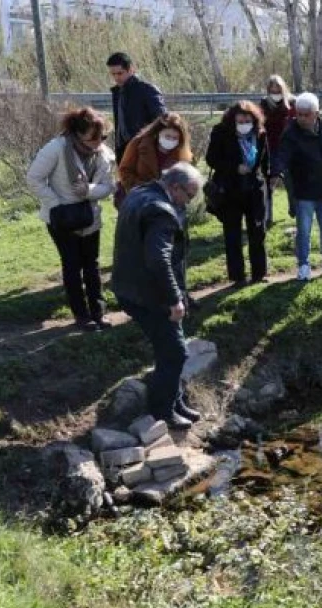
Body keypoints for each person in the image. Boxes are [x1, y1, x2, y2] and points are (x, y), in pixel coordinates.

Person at [110, 163, 205, 430]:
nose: (189, 202)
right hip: (149, 295)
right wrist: (175, 299)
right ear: (174, 187)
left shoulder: (140, 193)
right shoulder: (160, 211)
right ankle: (163, 412)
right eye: (189, 195)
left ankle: (174, 401)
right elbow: (158, 259)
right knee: (175, 352)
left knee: (170, 348)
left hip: (130, 287)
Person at [26, 107, 116, 332]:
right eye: (92, 138)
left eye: (102, 136)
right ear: (77, 134)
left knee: (92, 266)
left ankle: (99, 312)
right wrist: (56, 205)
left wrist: (88, 190)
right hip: (61, 219)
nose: (98, 142)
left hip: (89, 218)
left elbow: (109, 186)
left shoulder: (104, 153)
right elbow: (34, 178)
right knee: (72, 266)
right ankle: (82, 316)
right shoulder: (56, 148)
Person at [270, 92, 322, 282]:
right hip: (304, 191)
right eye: (299, 114)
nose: (302, 118)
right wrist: (275, 173)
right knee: (304, 231)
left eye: (306, 114)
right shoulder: (291, 132)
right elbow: (283, 155)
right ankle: (303, 266)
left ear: (316, 113)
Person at [206, 101, 271, 285]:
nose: (244, 124)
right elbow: (211, 158)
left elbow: (265, 158)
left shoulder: (260, 133)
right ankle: (237, 276)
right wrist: (235, 168)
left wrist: (270, 177)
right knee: (232, 234)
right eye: (240, 120)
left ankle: (259, 273)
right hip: (230, 189)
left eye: (247, 120)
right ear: (233, 119)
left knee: (257, 231)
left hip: (254, 189)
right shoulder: (221, 132)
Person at [117, 112, 194, 206]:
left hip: (167, 203)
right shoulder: (138, 143)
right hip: (138, 200)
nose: (170, 140)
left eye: (175, 138)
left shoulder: (182, 154)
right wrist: (145, 189)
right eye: (167, 136)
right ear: (158, 133)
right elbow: (125, 171)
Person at [108, 52, 167, 164]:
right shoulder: (118, 92)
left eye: (120, 73)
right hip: (124, 151)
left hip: (143, 150)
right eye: (113, 74)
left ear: (130, 69)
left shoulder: (146, 89)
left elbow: (161, 119)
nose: (116, 78)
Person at [259, 75, 297, 224]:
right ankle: (267, 216)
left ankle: (294, 209)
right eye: (272, 89)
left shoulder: (292, 103)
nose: (275, 92)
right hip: (270, 147)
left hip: (288, 148)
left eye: (277, 89)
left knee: (291, 181)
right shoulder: (263, 104)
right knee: (269, 183)